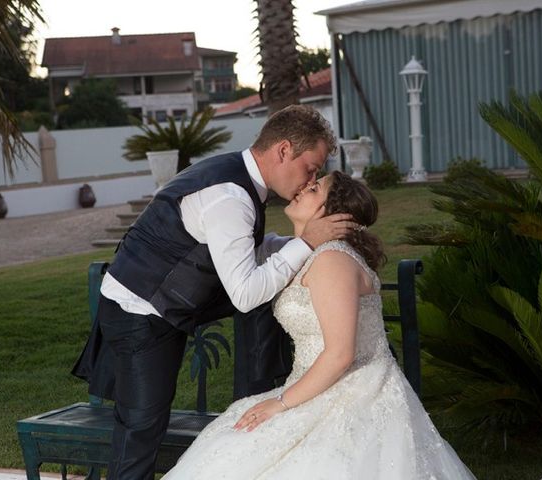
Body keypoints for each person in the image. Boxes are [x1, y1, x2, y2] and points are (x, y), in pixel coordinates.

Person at [71, 105, 355, 480]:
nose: (310, 179)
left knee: (142, 427)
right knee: (140, 431)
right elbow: (245, 293)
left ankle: (255, 392)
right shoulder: (231, 197)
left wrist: (301, 243)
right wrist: (305, 244)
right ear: (283, 150)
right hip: (140, 311)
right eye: (311, 168)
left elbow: (242, 250)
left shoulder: (238, 176)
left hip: (157, 302)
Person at [161, 171, 477, 480]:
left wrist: (279, 403)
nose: (303, 187)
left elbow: (340, 353)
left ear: (332, 215)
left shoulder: (332, 260)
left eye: (314, 190)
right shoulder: (310, 253)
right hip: (315, 384)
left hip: (354, 391)